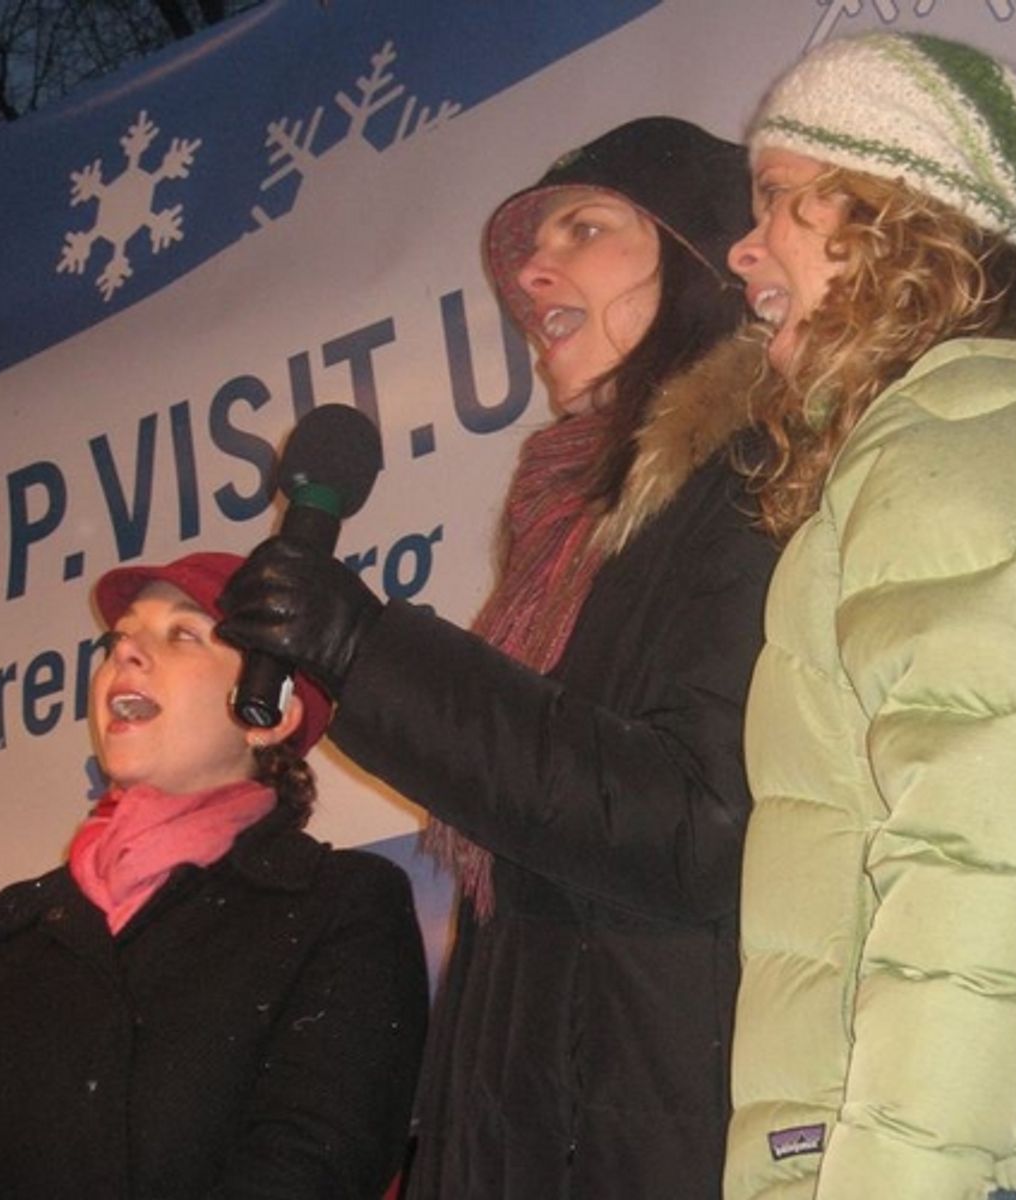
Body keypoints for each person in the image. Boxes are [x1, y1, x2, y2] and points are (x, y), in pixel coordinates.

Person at [216, 117, 779, 1198]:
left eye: (586, 226)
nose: (530, 269)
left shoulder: (755, 476)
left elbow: (698, 821)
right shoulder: (570, 531)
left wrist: (368, 654)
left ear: (704, 250)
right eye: (530, 244)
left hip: (661, 1131)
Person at [722, 31, 1016, 1200]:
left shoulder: (984, 426)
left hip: (1015, 1163)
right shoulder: (968, 435)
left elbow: (991, 865)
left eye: (778, 199)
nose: (742, 247)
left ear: (898, 214)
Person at [0, 551, 428, 1200]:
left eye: (182, 634)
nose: (126, 654)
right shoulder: (6, 931)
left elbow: (314, 1164)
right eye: (119, 640)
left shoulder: (340, 907)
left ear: (267, 715)